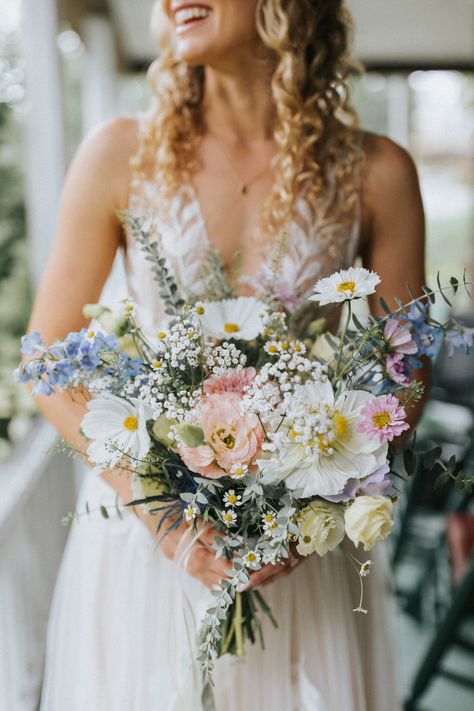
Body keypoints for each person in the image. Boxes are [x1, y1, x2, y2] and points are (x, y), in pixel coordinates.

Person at [30, 1, 427, 709]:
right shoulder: (119, 153)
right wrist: (155, 507)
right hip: (147, 545)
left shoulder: (376, 171)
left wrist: (315, 507)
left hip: (300, 550)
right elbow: (49, 357)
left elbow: (407, 368)